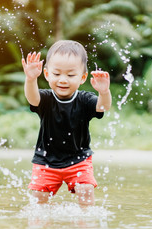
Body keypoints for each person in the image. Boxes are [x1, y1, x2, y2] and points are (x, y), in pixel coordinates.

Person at [21, 40, 112, 207]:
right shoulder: (46, 99)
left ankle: (85, 225)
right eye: (56, 74)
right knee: (38, 200)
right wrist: (31, 79)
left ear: (83, 77)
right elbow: (32, 98)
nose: (63, 80)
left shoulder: (85, 100)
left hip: (79, 159)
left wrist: (104, 92)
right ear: (47, 74)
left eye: (70, 75)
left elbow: (103, 106)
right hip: (46, 161)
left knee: (86, 190)